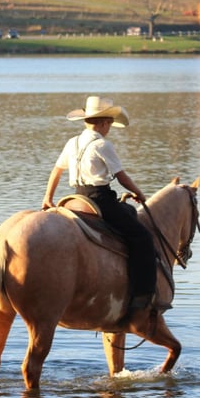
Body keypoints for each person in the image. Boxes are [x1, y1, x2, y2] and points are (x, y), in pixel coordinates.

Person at [42, 96, 157, 312]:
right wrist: (139, 193)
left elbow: (57, 170)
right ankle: (143, 294)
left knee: (128, 213)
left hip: (76, 198)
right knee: (143, 238)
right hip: (100, 199)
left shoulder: (72, 142)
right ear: (103, 123)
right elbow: (121, 177)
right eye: (110, 124)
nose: (110, 128)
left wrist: (47, 198)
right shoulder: (103, 144)